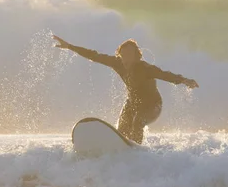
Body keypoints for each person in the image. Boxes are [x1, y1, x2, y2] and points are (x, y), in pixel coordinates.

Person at [52, 35, 199, 144]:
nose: (126, 59)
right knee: (121, 130)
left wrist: (185, 80)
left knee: (137, 122)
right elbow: (94, 55)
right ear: (119, 55)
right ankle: (124, 150)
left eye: (129, 55)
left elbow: (165, 75)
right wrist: (70, 46)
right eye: (123, 55)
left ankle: (136, 152)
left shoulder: (145, 68)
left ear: (137, 56)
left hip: (152, 105)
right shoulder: (118, 63)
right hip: (132, 103)